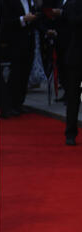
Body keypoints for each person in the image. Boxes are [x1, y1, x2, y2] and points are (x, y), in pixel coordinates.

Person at [61, 0, 82, 145]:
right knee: (73, 96)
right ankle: (70, 133)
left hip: (74, 55)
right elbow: (71, 22)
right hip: (76, 56)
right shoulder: (72, 4)